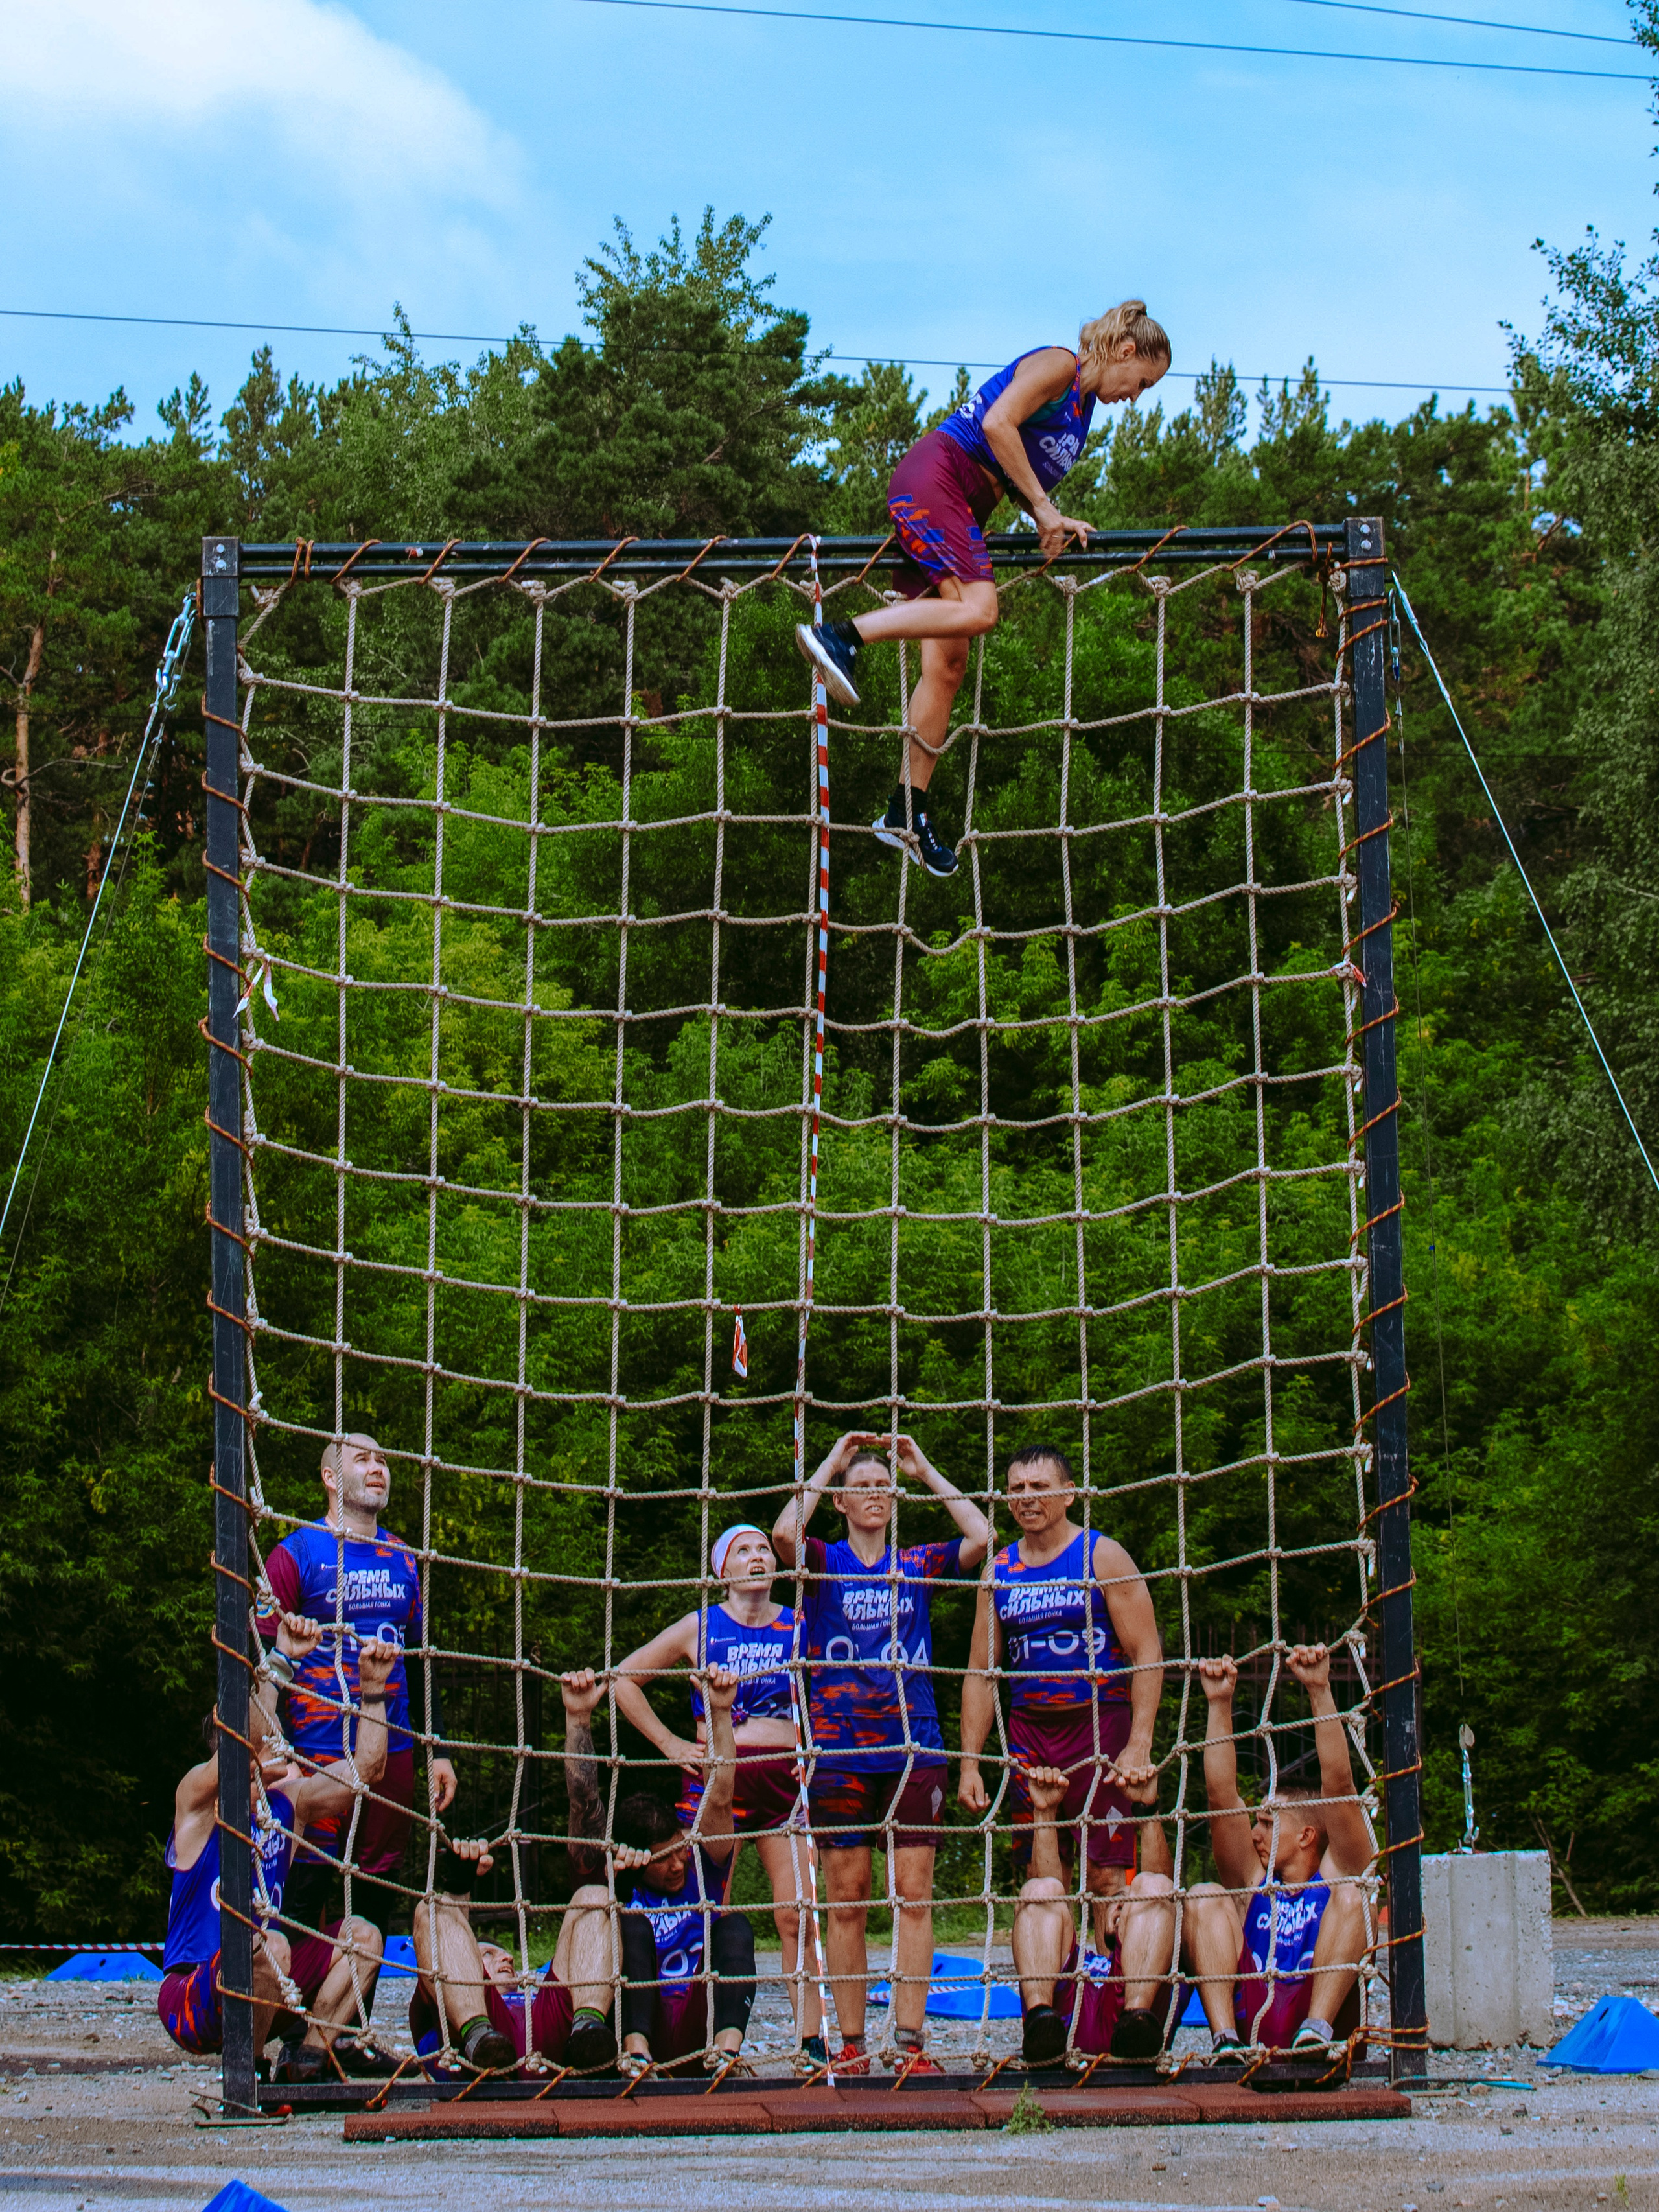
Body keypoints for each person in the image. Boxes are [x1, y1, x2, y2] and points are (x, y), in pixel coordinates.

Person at [795, 303, 1171, 878]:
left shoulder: (1082, 411)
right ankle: (841, 636)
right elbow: (997, 424)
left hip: (964, 503)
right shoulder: (1059, 366)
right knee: (981, 609)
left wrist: (1051, 517)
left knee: (948, 661)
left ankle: (906, 812)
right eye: (1142, 381)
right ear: (1125, 352)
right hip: (937, 476)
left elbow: (1019, 469)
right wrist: (1043, 509)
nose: (1136, 396)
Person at [771, 1432, 991, 2077]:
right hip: (839, 1750)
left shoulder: (915, 1561)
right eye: (860, 1486)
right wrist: (834, 1460)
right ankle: (849, 2039)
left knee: (913, 1891)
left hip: (913, 1745)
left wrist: (922, 1467)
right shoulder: (823, 1560)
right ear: (840, 1499)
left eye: (881, 1487)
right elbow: (784, 1532)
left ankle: (911, 2039)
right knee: (847, 1896)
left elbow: (980, 1536)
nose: (873, 1494)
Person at [611, 1521, 825, 2059]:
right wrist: (669, 1743)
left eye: (762, 1548)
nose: (757, 1556)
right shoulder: (699, 1625)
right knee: (705, 1911)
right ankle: (696, 2034)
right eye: (743, 1549)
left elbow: (830, 1696)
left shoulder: (801, 1623)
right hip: (716, 1786)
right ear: (721, 1568)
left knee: (797, 1911)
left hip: (784, 1784)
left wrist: (820, 1750)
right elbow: (623, 1679)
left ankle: (811, 2039)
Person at [157, 1614, 398, 2083]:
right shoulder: (198, 1805)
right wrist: (280, 1663)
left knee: (364, 1937)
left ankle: (307, 2058)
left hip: (269, 1982)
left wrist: (372, 1688)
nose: (284, 1748)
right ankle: (245, 2072)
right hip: (193, 1995)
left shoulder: (291, 1807)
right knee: (272, 1942)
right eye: (273, 1742)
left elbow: (368, 1771)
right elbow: (241, 1742)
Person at [958, 1444, 1164, 1951]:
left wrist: (1141, 1741)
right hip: (1031, 1733)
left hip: (1101, 1726)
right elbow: (981, 1672)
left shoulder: (1102, 1554)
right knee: (1041, 1877)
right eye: (1017, 1489)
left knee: (1108, 1876)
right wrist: (969, 1762)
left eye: (1039, 1486)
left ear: (1069, 1494)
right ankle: (1057, 2000)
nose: (1027, 1498)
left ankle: (1113, 1992)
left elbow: (1147, 1651)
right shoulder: (999, 1570)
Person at [260, 1432, 458, 1958]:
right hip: (317, 1750)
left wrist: (437, 1750)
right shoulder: (295, 1553)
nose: (377, 1468)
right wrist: (270, 1746)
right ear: (330, 1477)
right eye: (362, 1458)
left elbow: (420, 1661)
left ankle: (350, 2034)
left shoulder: (403, 1557)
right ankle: (297, 2020)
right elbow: (258, 1658)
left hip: (390, 1750)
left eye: (383, 1460)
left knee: (376, 1885)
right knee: (309, 1884)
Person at [1183, 1645, 1376, 2059]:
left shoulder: (1337, 1871)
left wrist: (1319, 1690)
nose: (1255, 1831)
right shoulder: (1255, 1882)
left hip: (1323, 2017)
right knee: (1203, 1896)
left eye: (1269, 1824)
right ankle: (1226, 2043)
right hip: (1257, 2023)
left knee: (1354, 1895)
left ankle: (1317, 2033)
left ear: (1307, 1835)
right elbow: (1221, 1796)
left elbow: (1339, 1787)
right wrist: (1219, 1703)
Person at [564, 1663, 758, 2073]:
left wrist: (721, 1714)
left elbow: (721, 1795)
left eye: (678, 1850)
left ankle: (727, 2051)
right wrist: (578, 1720)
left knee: (735, 1925)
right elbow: (583, 1800)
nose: (677, 1864)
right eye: (663, 1859)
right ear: (638, 1859)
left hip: (695, 2019)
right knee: (627, 1924)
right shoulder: (620, 1881)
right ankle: (636, 2052)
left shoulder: (700, 1868)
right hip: (636, 2017)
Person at [407, 1833, 618, 2076]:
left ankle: (588, 2031)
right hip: (469, 2048)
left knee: (595, 1897)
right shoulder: (437, 1992)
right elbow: (446, 1944)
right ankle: (479, 2038)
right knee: (433, 1908)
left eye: (506, 1956)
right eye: (488, 1954)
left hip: (556, 2043)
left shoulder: (540, 2002)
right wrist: (458, 1888)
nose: (507, 1959)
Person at [1010, 1762, 1178, 2064]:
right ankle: (1040, 2020)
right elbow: (1047, 1888)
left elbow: (1159, 1889)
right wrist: (1045, 1812)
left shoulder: (1145, 1956)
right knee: (1039, 1892)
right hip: (1061, 2021)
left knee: (1154, 1886)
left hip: (1132, 2004)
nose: (1124, 1904)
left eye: (1131, 1902)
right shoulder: (1077, 1960)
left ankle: (1136, 2023)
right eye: (1120, 1899)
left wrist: (1147, 1811)